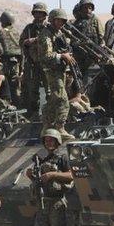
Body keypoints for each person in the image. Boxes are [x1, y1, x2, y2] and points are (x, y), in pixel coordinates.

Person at [27, 129, 73, 226]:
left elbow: (71, 175)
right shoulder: (39, 159)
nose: (49, 143)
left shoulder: (62, 158)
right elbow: (38, 180)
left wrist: (53, 174)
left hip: (57, 201)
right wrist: (31, 176)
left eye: (52, 140)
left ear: (57, 142)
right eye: (47, 141)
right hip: (42, 201)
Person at [36, 9, 76, 142]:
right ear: (53, 20)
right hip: (51, 71)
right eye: (59, 20)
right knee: (62, 99)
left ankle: (46, 125)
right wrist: (62, 56)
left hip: (61, 70)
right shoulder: (45, 35)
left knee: (53, 99)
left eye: (63, 21)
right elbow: (45, 56)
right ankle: (60, 127)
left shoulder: (60, 33)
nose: (62, 23)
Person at [20, 2, 49, 120]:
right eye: (36, 13)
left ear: (45, 14)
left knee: (50, 90)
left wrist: (38, 40)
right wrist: (28, 42)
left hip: (47, 63)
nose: (38, 16)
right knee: (33, 90)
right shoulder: (29, 28)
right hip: (33, 63)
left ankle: (50, 112)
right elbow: (22, 42)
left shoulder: (49, 27)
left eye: (40, 13)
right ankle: (35, 113)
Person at [0, 11, 23, 107]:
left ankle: (6, 106)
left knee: (4, 86)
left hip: (4, 62)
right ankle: (17, 107)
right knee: (15, 87)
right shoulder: (17, 33)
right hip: (16, 63)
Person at [71, 0, 104, 79]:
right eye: (85, 8)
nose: (88, 10)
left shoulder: (95, 20)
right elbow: (71, 39)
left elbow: (102, 37)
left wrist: (100, 52)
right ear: (80, 9)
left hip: (93, 57)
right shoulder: (76, 23)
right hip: (79, 56)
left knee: (91, 78)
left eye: (90, 8)